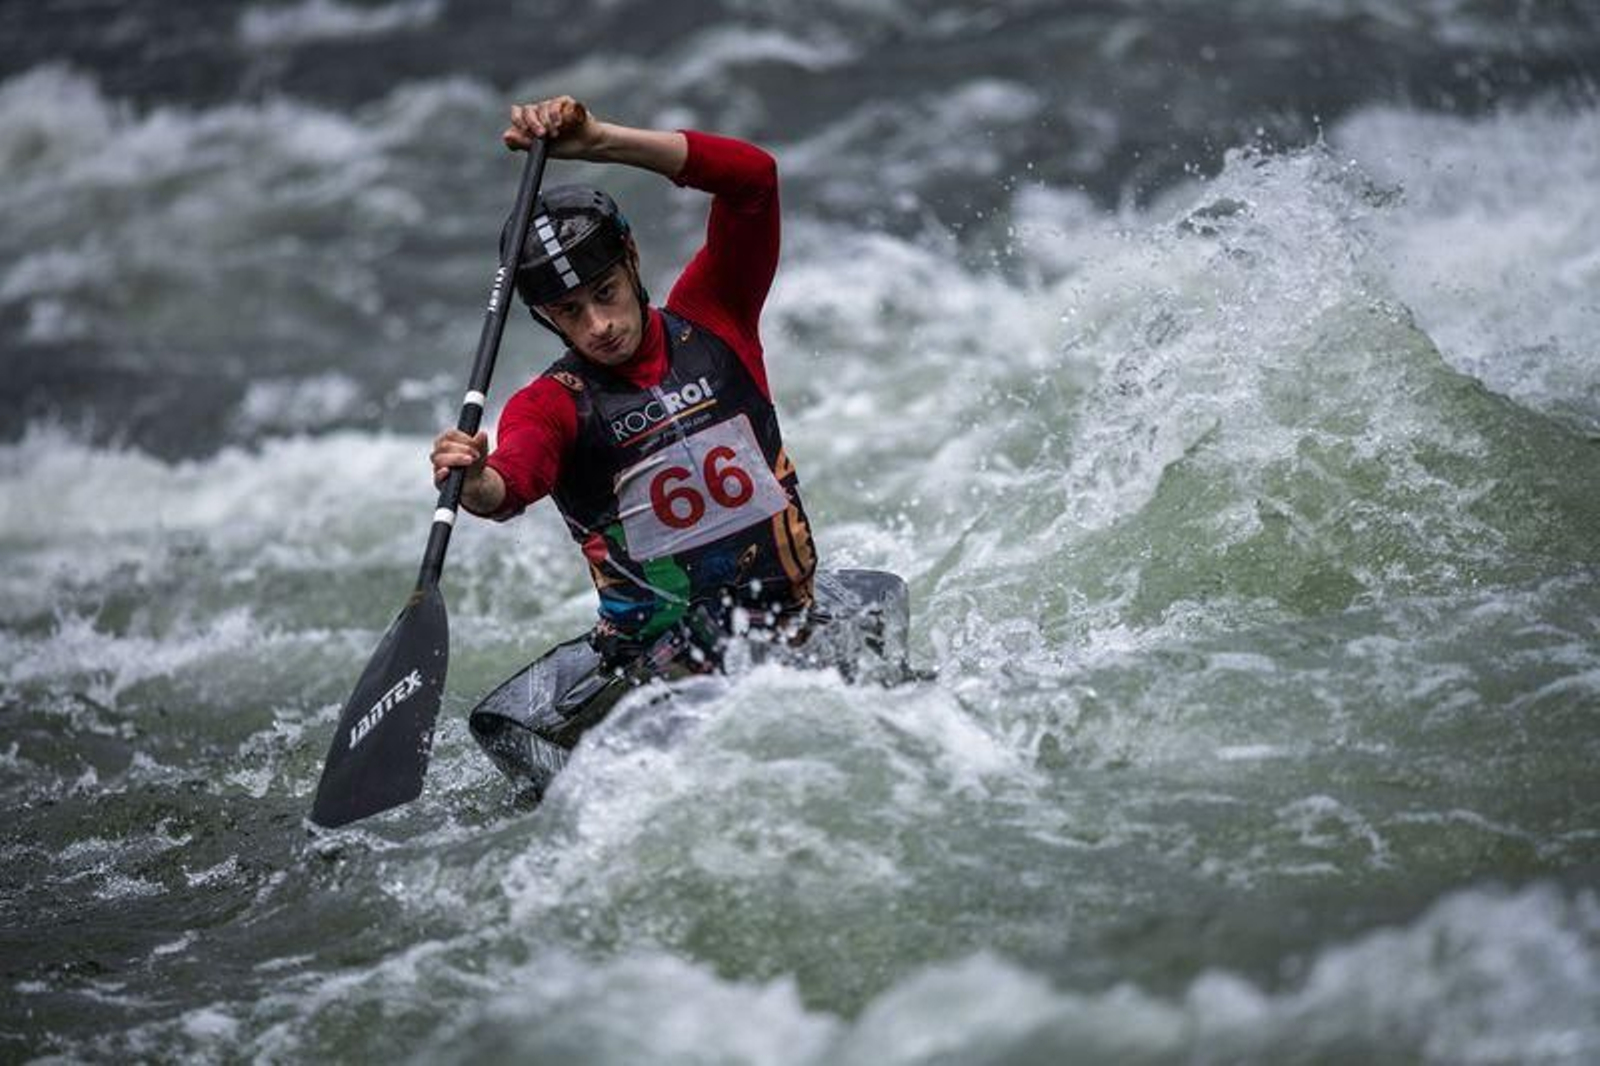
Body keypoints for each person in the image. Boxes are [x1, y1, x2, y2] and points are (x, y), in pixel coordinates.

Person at [430, 96, 818, 673]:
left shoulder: (716, 315)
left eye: (605, 293)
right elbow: (508, 487)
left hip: (793, 626)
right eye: (570, 312)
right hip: (658, 669)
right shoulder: (550, 404)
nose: (599, 326)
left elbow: (753, 179)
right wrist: (473, 480)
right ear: (545, 319)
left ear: (632, 259)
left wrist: (600, 143)